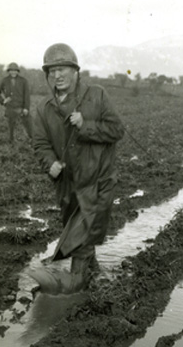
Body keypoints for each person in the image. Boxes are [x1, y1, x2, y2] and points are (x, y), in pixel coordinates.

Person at [29, 43, 125, 294]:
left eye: (62, 69)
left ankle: (76, 283)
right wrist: (49, 163)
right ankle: (93, 274)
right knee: (76, 229)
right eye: (52, 71)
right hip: (66, 181)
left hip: (97, 178)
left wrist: (86, 124)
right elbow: (40, 142)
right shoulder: (43, 107)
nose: (57, 75)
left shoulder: (97, 95)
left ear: (75, 71)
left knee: (82, 229)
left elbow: (117, 130)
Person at [0, 62, 31, 142]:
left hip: (21, 107)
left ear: (18, 71)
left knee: (28, 125)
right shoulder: (4, 80)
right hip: (10, 107)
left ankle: (31, 141)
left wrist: (26, 108)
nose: (13, 72)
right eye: (11, 70)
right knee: (11, 126)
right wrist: (3, 101)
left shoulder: (23, 81)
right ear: (9, 71)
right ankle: (11, 142)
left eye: (15, 70)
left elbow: (27, 96)